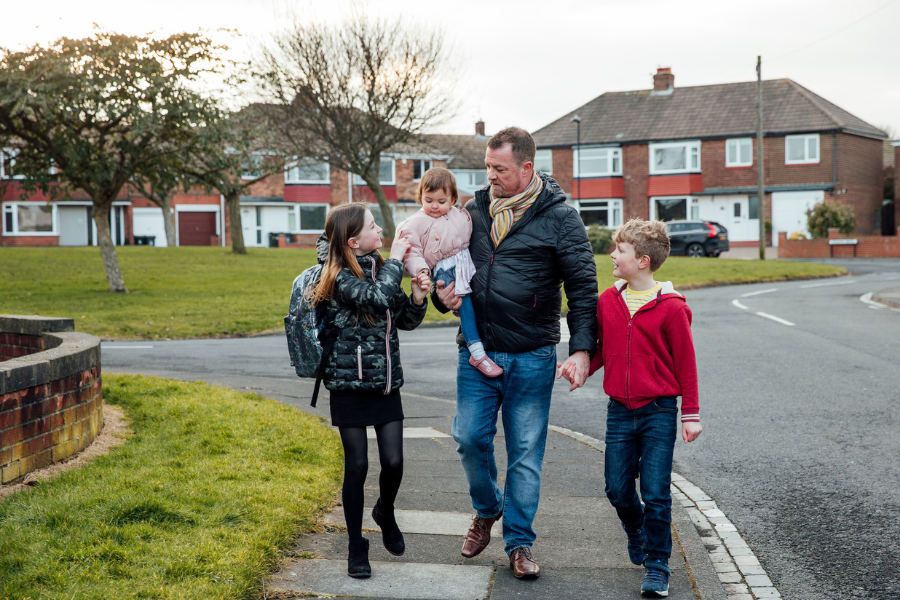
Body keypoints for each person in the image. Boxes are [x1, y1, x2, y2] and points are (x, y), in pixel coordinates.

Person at [433, 127, 598, 579]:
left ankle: (520, 544)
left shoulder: (561, 217)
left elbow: (584, 287)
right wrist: (440, 296)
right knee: (469, 438)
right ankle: (488, 509)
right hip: (477, 352)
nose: (491, 177)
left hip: (532, 354)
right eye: (487, 167)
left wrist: (582, 349)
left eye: (499, 169)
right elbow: (446, 269)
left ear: (527, 168)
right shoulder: (471, 212)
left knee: (525, 453)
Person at [561, 217, 702, 598]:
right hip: (619, 412)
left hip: (658, 411)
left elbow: (686, 364)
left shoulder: (672, 309)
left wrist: (690, 414)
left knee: (656, 492)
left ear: (642, 260)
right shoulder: (609, 300)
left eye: (619, 249)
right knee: (617, 488)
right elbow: (606, 348)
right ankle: (636, 528)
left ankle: (657, 566)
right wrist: (583, 366)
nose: (612, 254)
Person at [308, 202, 429, 578]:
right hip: (348, 383)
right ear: (353, 240)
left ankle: (385, 511)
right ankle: (355, 545)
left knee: (393, 461)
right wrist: (396, 261)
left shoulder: (379, 266)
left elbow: (400, 319)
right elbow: (374, 298)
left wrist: (418, 297)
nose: (381, 231)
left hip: (384, 382)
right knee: (357, 465)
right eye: (374, 227)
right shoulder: (336, 274)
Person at [397, 167, 502, 377]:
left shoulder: (460, 214)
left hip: (464, 264)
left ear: (453, 199)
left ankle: (483, 340)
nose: (434, 206)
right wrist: (421, 272)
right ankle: (476, 351)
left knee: (478, 299)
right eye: (428, 200)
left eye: (441, 201)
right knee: (466, 305)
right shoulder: (414, 223)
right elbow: (412, 252)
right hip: (446, 268)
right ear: (420, 198)